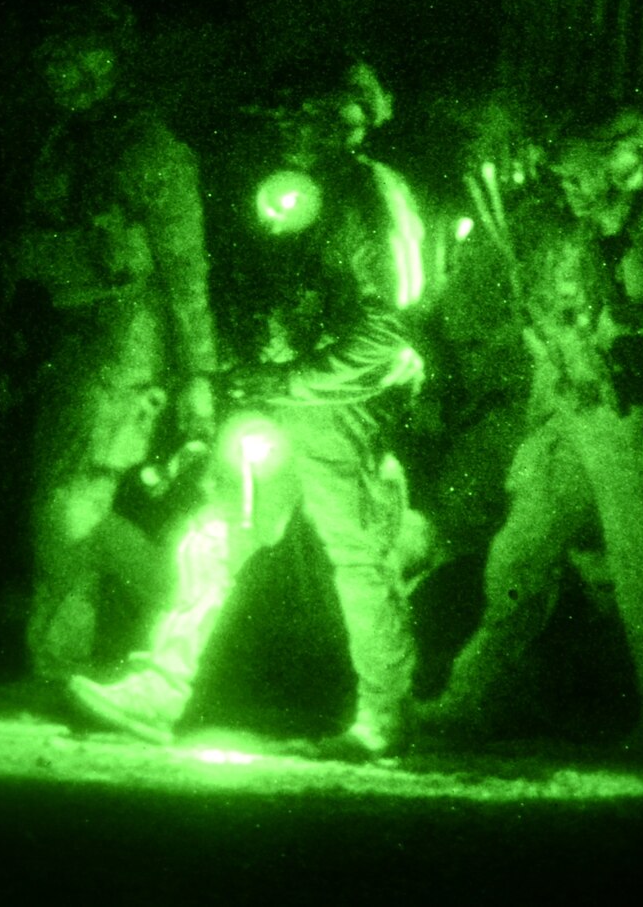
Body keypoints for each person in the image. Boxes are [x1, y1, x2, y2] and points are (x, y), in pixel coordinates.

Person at [69, 56, 429, 761]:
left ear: (351, 121)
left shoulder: (370, 193)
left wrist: (289, 378)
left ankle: (386, 713)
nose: (297, 132)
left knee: (357, 556)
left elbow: (386, 326)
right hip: (282, 395)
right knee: (217, 531)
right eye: (293, 118)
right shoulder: (294, 194)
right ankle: (161, 687)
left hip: (340, 405)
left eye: (318, 117)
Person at [417, 96, 643, 755]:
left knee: (639, 571)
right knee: (519, 552)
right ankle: (479, 693)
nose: (565, 188)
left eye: (576, 176)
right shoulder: (563, 226)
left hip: (625, 422)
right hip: (567, 415)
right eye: (561, 178)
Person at [0, 0, 223, 695]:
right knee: (65, 501)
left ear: (106, 60)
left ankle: (64, 658)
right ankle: (82, 645)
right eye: (49, 59)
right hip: (75, 340)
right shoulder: (66, 139)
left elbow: (186, 271)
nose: (54, 72)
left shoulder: (150, 148)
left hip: (126, 348)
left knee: (72, 502)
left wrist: (197, 375)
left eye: (69, 56)